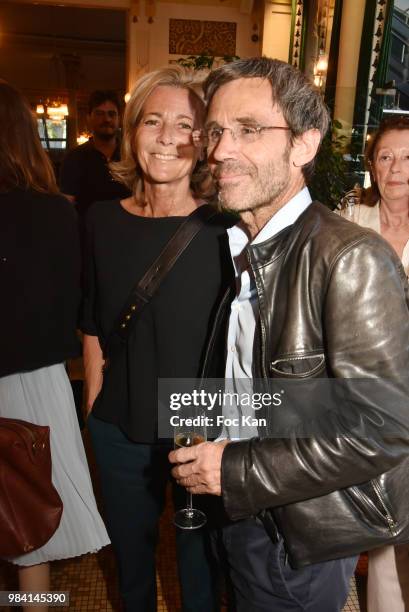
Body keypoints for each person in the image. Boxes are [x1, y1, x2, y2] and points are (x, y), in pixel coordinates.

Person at [169, 57, 409, 612]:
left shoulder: (349, 257)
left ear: (304, 145)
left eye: (249, 130)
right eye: (216, 131)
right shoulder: (238, 244)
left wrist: (231, 468)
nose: (221, 150)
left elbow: (384, 430)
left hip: (295, 532)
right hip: (245, 506)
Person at [81, 66, 233, 612]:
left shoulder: (225, 230)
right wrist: (94, 408)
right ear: (131, 130)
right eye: (152, 121)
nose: (167, 136)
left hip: (196, 426)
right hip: (118, 426)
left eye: (184, 124)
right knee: (132, 562)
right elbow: (94, 326)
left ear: (204, 141)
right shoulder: (100, 220)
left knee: (200, 565)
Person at [0, 81, 110, 612]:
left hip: (25, 376)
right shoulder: (56, 213)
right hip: (37, 382)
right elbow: (73, 303)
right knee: (29, 526)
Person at [339, 116, 409, 612]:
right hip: (360, 390)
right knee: (373, 515)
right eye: (385, 157)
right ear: (371, 166)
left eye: (408, 157)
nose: (397, 168)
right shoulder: (349, 217)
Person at [59, 89, 131, 218]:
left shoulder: (132, 156)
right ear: (89, 118)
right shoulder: (74, 158)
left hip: (128, 233)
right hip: (87, 235)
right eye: (99, 114)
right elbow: (66, 206)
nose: (107, 119)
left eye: (112, 114)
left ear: (119, 119)